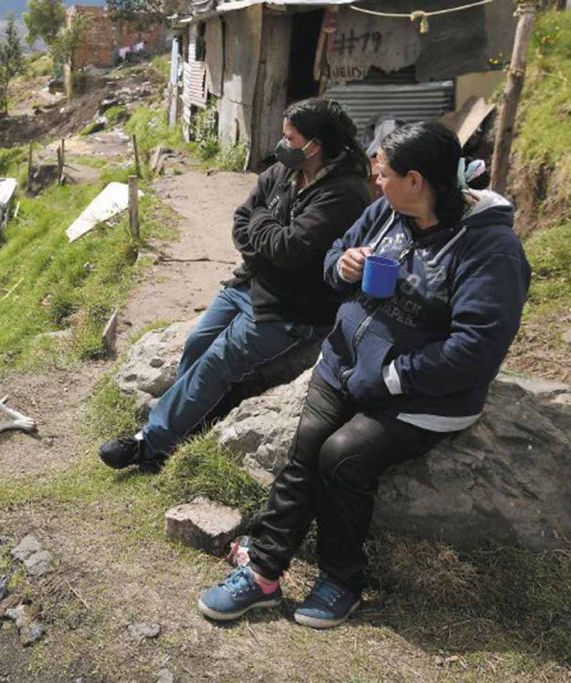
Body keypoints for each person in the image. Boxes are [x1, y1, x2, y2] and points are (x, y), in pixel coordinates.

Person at [197, 121, 531, 629]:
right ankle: (264, 571)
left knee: (342, 456)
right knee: (308, 445)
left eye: (385, 175)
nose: (376, 183)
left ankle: (342, 580)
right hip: (345, 366)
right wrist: (343, 265)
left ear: (417, 181)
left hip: (424, 393)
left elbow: (476, 349)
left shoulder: (491, 251)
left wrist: (392, 377)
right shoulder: (387, 212)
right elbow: (333, 261)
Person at [99, 98, 371, 472]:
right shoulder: (282, 173)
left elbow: (288, 248)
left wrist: (263, 228)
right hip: (251, 283)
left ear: (314, 145)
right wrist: (266, 235)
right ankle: (189, 422)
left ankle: (150, 443)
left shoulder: (344, 193)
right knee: (196, 343)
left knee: (217, 361)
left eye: (289, 137)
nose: (282, 144)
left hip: (293, 307)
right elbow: (243, 221)